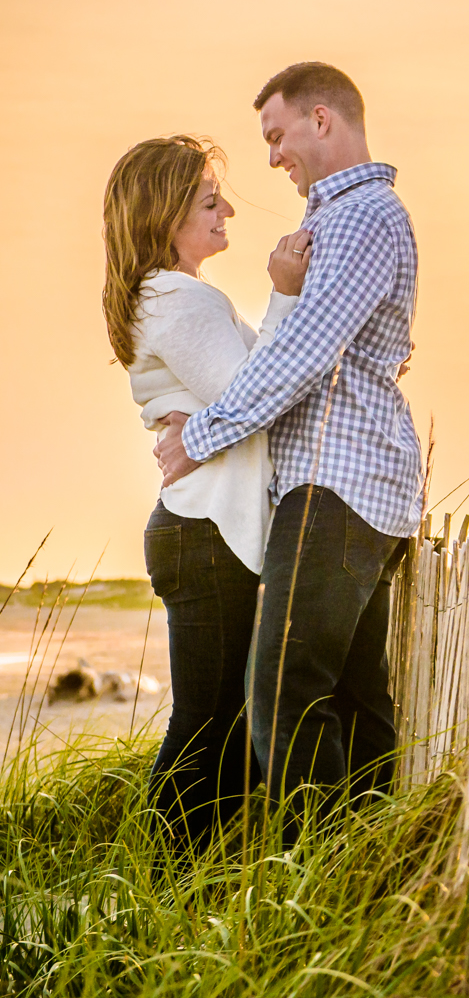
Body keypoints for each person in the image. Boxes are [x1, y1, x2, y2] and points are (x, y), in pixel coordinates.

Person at [154, 62, 423, 844]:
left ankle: (319, 877)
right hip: (361, 481)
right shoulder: (351, 219)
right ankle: (367, 874)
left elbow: (302, 353)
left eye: (276, 137)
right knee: (349, 693)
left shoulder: (360, 216)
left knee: (282, 685)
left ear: (320, 120)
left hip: (335, 482)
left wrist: (197, 439)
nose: (273, 158)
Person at [104, 135, 309, 850]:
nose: (226, 210)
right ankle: (158, 880)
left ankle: (193, 878)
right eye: (207, 198)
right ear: (165, 216)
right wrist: (284, 294)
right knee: (205, 722)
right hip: (202, 533)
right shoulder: (178, 297)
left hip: (202, 531)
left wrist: (205, 429)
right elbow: (255, 392)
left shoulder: (179, 296)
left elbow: (244, 394)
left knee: (221, 720)